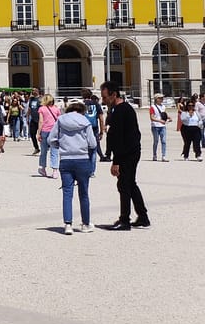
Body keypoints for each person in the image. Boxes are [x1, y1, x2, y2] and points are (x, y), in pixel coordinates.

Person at [100, 81, 149, 230]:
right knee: (130, 184)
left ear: (114, 95)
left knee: (124, 185)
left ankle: (124, 220)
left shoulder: (121, 110)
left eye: (105, 97)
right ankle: (143, 217)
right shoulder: (120, 109)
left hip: (127, 153)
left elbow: (120, 139)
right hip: (131, 151)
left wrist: (116, 162)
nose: (103, 100)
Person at [48, 100, 97, 234]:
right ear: (82, 111)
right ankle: (85, 223)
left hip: (66, 159)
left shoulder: (61, 120)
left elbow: (51, 139)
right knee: (84, 193)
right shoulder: (85, 121)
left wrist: (60, 145)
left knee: (67, 193)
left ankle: (68, 224)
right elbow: (92, 143)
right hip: (82, 159)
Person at [37, 94, 61, 179]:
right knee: (54, 151)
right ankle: (55, 171)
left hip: (45, 131)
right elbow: (59, 121)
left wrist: (38, 133)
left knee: (43, 151)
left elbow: (41, 121)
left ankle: (42, 167)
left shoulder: (41, 109)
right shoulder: (56, 109)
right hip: (54, 132)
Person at [149, 93, 169, 161]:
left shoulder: (163, 106)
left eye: (162, 98)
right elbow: (152, 118)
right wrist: (160, 121)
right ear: (156, 99)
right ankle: (154, 155)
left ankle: (163, 156)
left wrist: (169, 118)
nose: (161, 99)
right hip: (155, 126)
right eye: (160, 98)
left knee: (164, 141)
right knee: (156, 141)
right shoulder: (152, 107)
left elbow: (164, 115)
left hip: (162, 126)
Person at [27, 88, 42, 154]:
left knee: (42, 134)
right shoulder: (31, 100)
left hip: (40, 119)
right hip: (33, 119)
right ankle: (36, 148)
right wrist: (27, 117)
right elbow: (30, 109)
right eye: (32, 90)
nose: (32, 91)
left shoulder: (41, 99)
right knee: (32, 134)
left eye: (34, 90)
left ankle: (45, 147)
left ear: (37, 91)